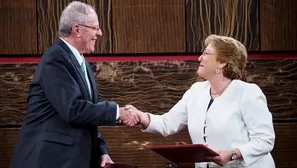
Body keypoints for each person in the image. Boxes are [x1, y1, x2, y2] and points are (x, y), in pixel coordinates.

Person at [10, 1, 138, 168]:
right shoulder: (55, 59)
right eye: (95, 28)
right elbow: (73, 110)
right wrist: (117, 112)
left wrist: (101, 152)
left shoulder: (81, 62)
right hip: (48, 161)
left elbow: (87, 116)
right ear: (77, 29)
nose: (99, 33)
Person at [126, 35, 276, 168]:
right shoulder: (196, 91)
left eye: (206, 53)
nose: (199, 58)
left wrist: (233, 154)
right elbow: (167, 123)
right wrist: (140, 116)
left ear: (222, 62)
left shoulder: (247, 92)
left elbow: (265, 140)